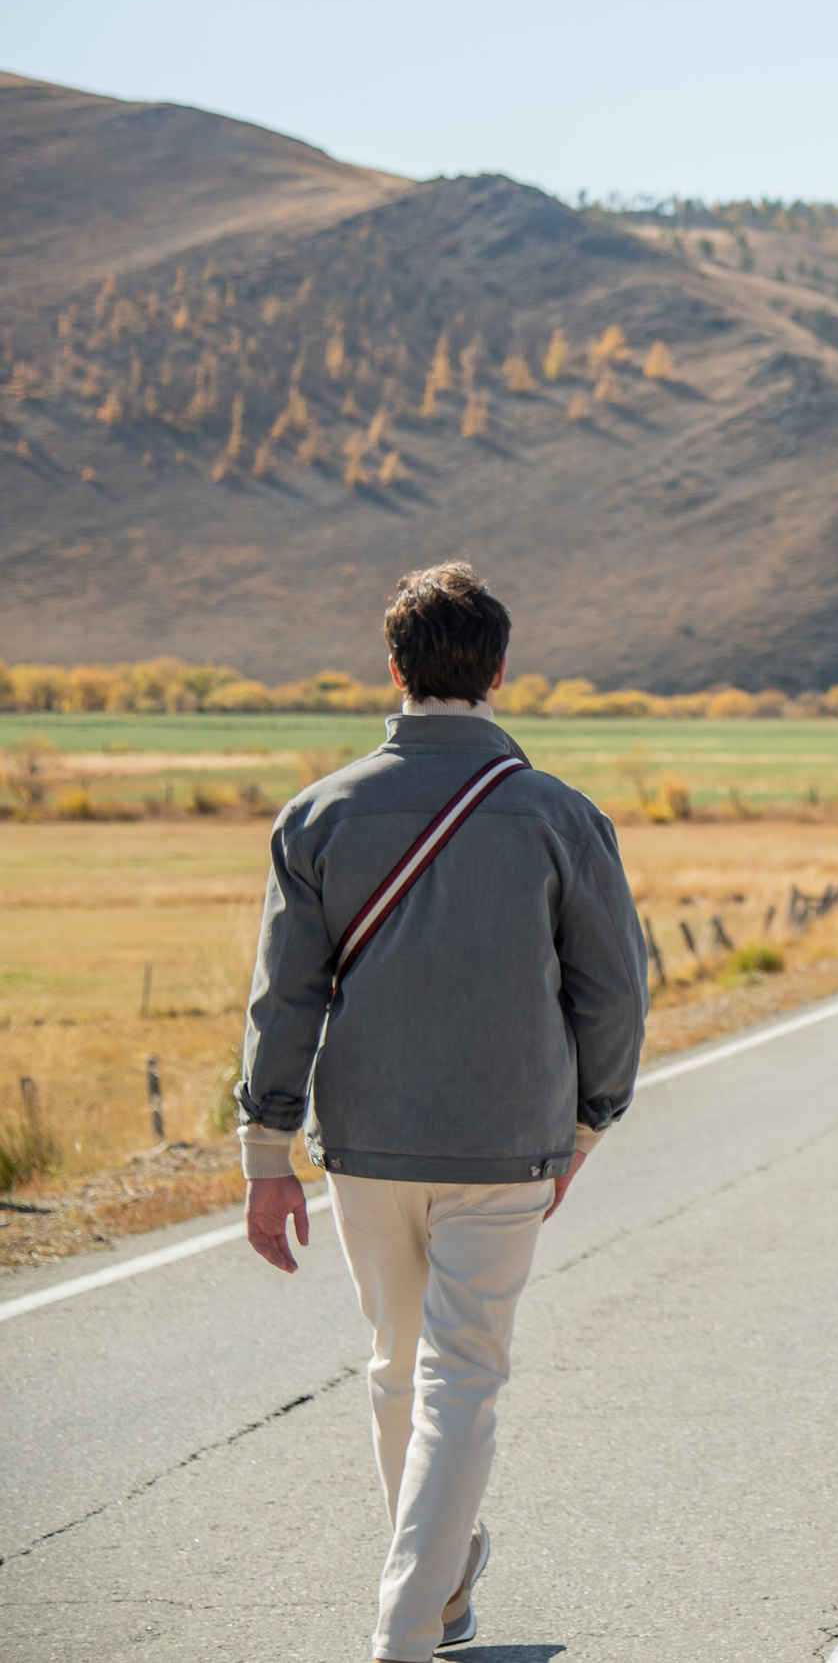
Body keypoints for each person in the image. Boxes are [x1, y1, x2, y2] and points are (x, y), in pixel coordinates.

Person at [235, 562, 649, 1663]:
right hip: (508, 1141)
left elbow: (285, 997)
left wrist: (264, 1152)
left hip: (364, 1143)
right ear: (499, 669)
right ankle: (410, 1624)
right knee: (458, 1376)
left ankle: (445, 1591)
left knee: (394, 1368)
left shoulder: (317, 812)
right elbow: (613, 993)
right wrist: (589, 1123)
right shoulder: (561, 814)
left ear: (394, 669)